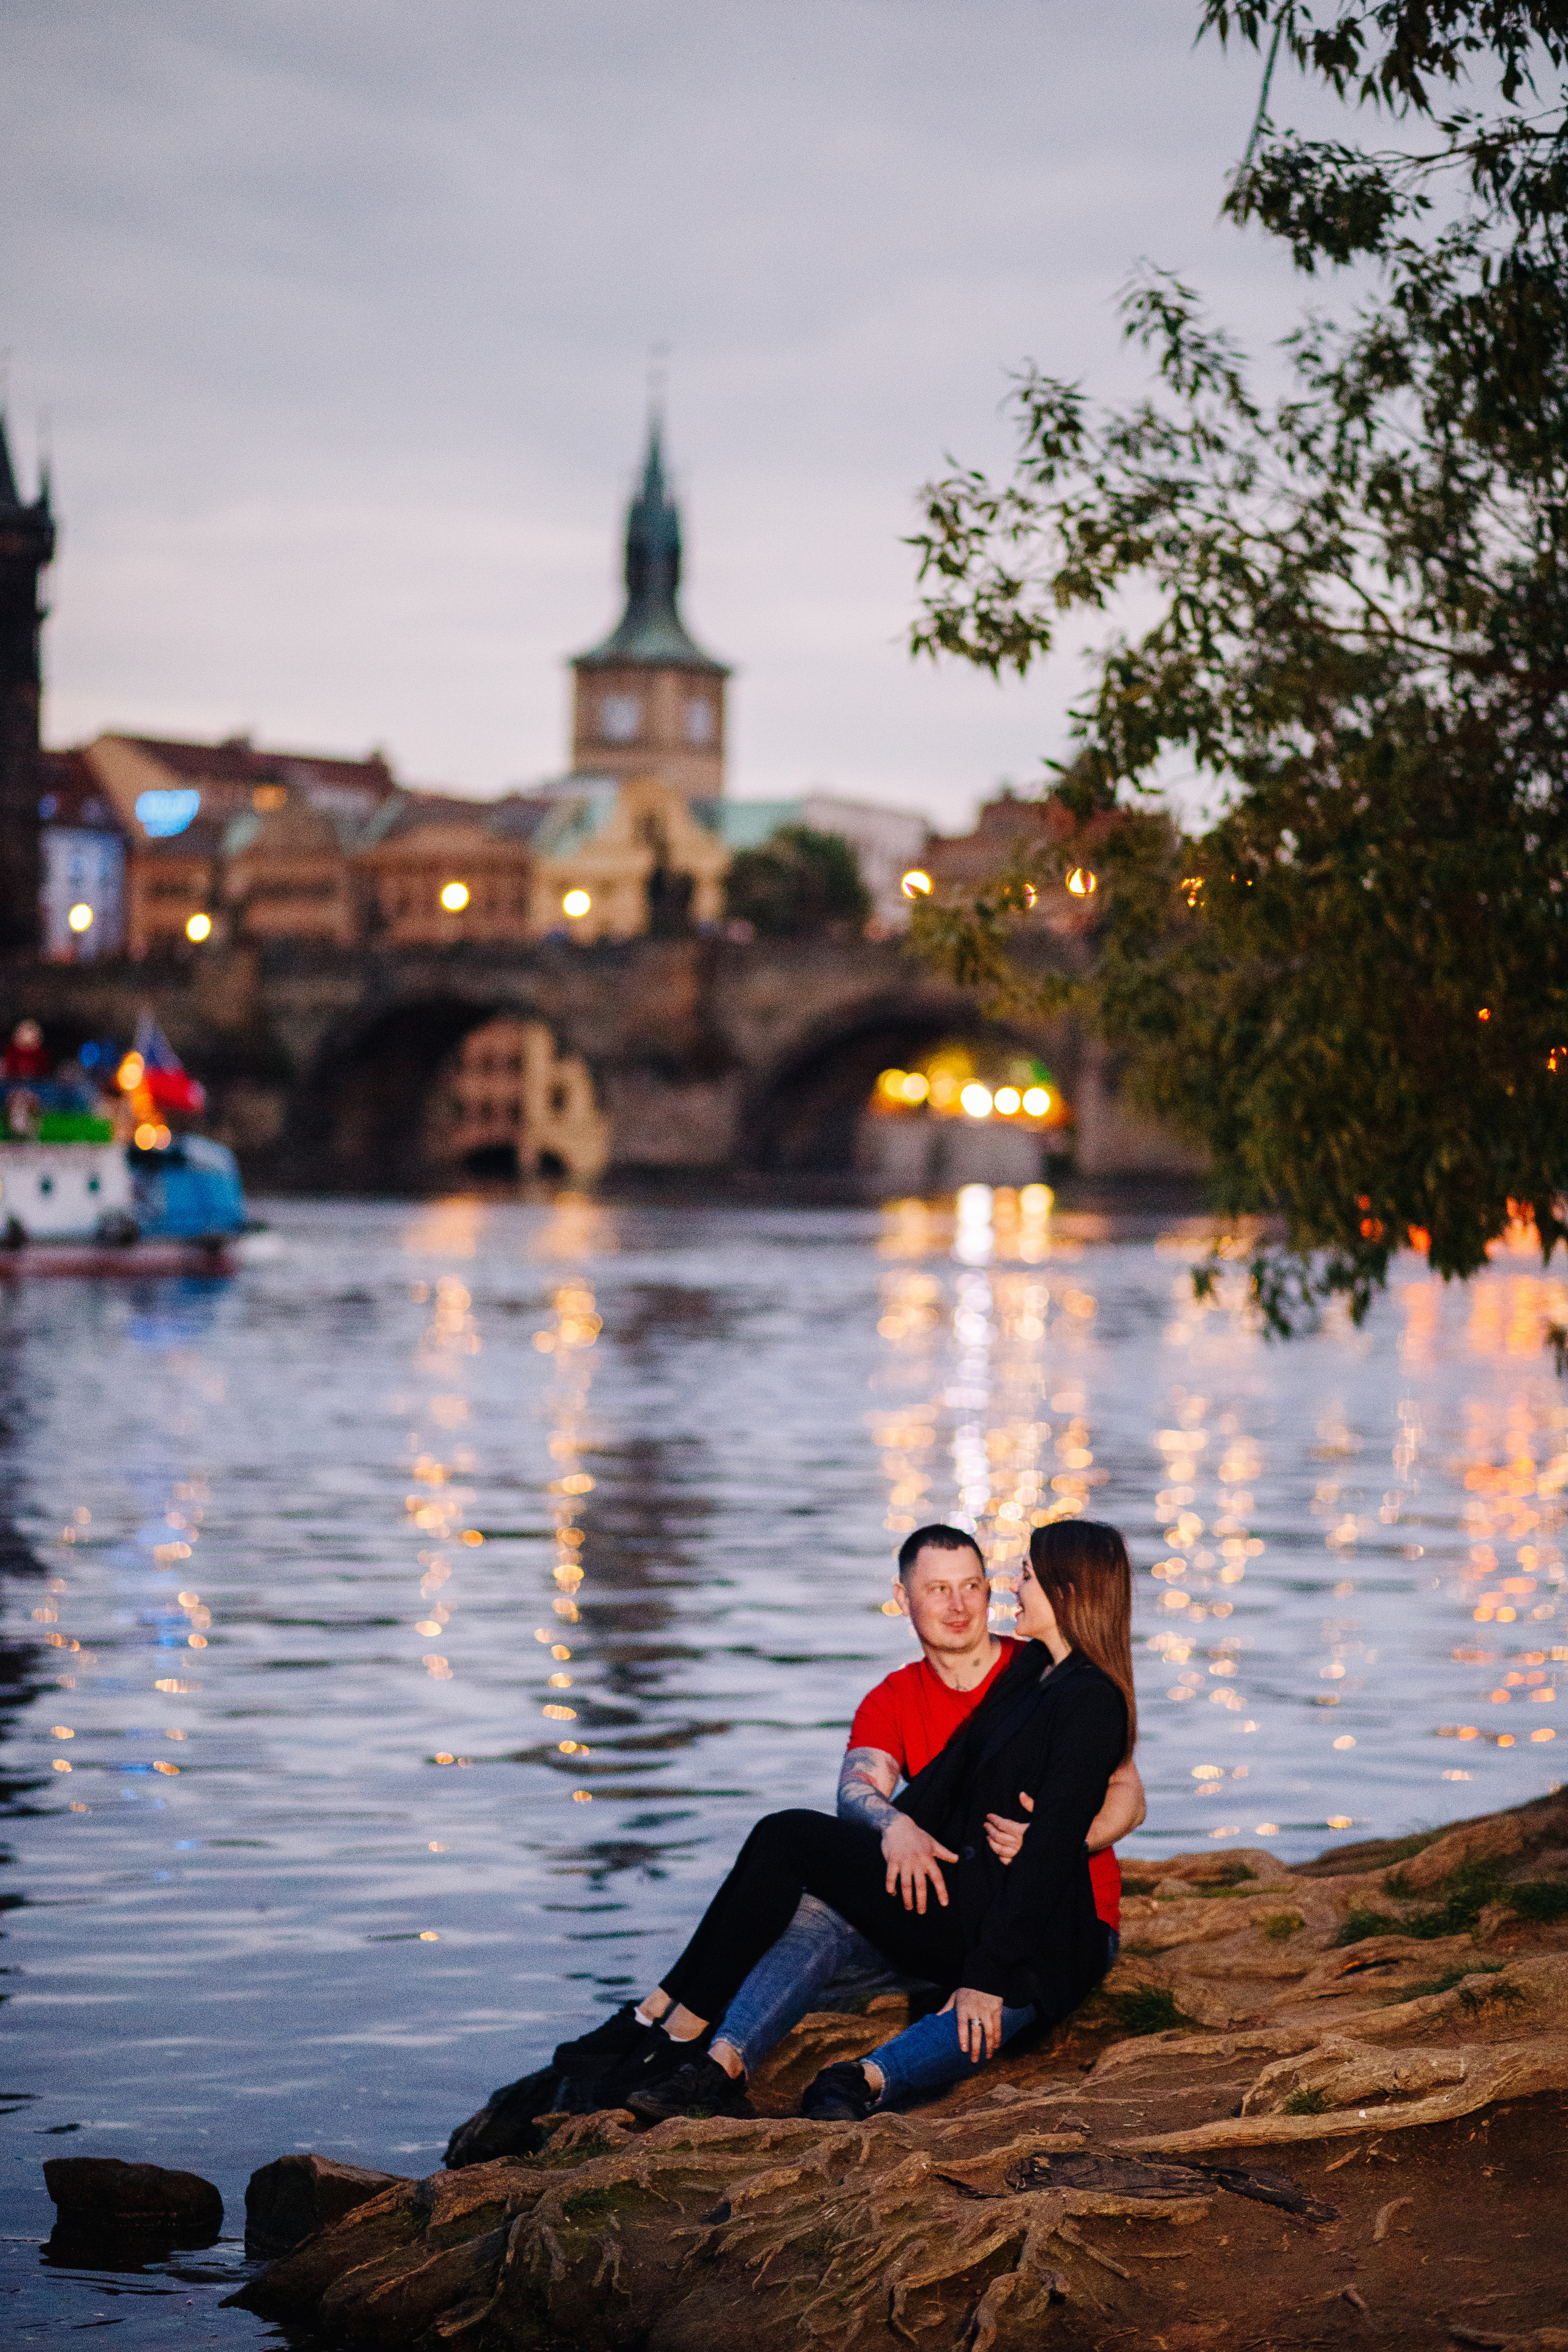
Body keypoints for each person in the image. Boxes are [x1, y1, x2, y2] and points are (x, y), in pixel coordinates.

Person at [574, 1518, 1136, 2123]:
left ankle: (679, 2019)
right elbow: (934, 1778)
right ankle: (715, 2062)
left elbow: (1098, 1813)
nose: (994, 1593)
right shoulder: (1024, 1677)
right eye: (939, 1589)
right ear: (904, 1599)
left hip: (1043, 1918)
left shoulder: (1084, 1695)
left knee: (791, 1838)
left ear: (1067, 1590)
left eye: (1004, 1579)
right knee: (802, 1864)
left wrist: (1047, 1853)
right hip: (963, 1886)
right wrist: (892, 1832)